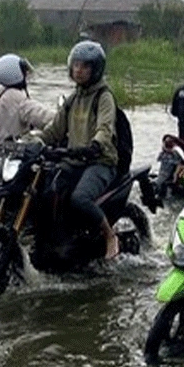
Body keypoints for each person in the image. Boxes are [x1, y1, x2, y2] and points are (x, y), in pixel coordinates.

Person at [39, 40, 122, 258]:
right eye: (76, 65)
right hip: (74, 161)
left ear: (95, 70)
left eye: (85, 66)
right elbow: (53, 131)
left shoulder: (104, 97)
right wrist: (28, 142)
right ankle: (56, 238)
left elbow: (105, 128)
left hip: (100, 161)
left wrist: (95, 145)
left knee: (80, 198)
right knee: (47, 191)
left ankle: (109, 235)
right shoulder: (73, 98)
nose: (79, 70)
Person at [0, 53, 56, 157]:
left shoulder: (1, 92)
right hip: (8, 150)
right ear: (16, 73)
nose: (26, 74)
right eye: (23, 71)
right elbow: (38, 114)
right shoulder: (15, 96)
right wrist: (61, 118)